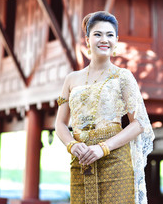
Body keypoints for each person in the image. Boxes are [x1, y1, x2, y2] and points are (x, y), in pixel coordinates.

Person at [55, 11, 154, 204]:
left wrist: (103, 148)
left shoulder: (123, 76)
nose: (104, 40)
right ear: (87, 39)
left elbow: (139, 122)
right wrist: (72, 145)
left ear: (116, 40)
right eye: (98, 34)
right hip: (81, 160)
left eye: (110, 35)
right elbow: (60, 123)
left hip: (115, 160)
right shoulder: (71, 79)